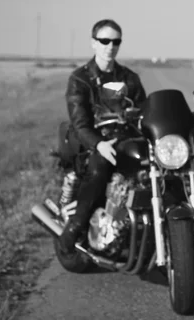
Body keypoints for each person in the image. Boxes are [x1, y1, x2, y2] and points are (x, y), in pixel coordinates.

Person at [59, 19, 147, 254]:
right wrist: (98, 145)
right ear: (94, 43)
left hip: (125, 140)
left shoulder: (130, 78)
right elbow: (80, 123)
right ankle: (74, 228)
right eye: (105, 41)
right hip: (93, 142)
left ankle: (178, 244)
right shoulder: (80, 79)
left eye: (116, 41)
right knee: (99, 168)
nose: (111, 46)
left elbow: (144, 112)